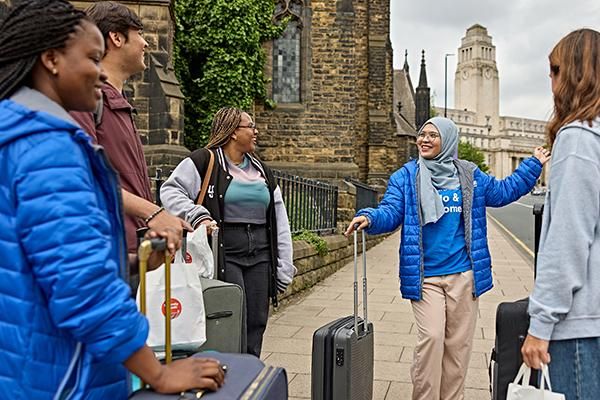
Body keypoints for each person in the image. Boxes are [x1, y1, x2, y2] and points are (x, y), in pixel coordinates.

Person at [0, 1, 223, 397]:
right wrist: (159, 373)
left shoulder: (16, 136)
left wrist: (131, 263)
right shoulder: (47, 149)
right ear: (51, 59)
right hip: (66, 378)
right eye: (91, 57)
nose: (101, 72)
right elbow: (82, 287)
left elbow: (38, 260)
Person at [345, 117, 549, 400]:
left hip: (464, 274)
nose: (424, 140)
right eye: (422, 134)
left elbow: (503, 192)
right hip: (425, 276)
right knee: (431, 338)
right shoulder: (406, 177)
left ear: (448, 140)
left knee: (458, 347)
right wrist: (370, 217)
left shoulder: (469, 174)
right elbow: (390, 211)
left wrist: (533, 165)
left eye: (433, 135)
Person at [160, 107, 297, 357]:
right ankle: (227, 376)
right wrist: (197, 214)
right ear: (233, 132)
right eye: (250, 126)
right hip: (225, 253)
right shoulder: (204, 160)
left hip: (260, 255)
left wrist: (284, 265)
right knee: (231, 317)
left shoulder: (262, 170)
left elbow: (279, 218)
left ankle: (250, 372)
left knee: (256, 320)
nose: (256, 131)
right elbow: (170, 191)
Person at [70, 1, 187, 260]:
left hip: (130, 254)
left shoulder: (118, 102)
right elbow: (83, 177)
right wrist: (153, 213)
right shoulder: (86, 99)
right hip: (101, 254)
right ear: (117, 37)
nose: (146, 43)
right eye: (140, 34)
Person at [521, 28, 600, 399]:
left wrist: (541, 324)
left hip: (579, 325)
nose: (550, 80)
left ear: (574, 75)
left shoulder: (578, 137)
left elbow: (569, 238)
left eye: (554, 70)